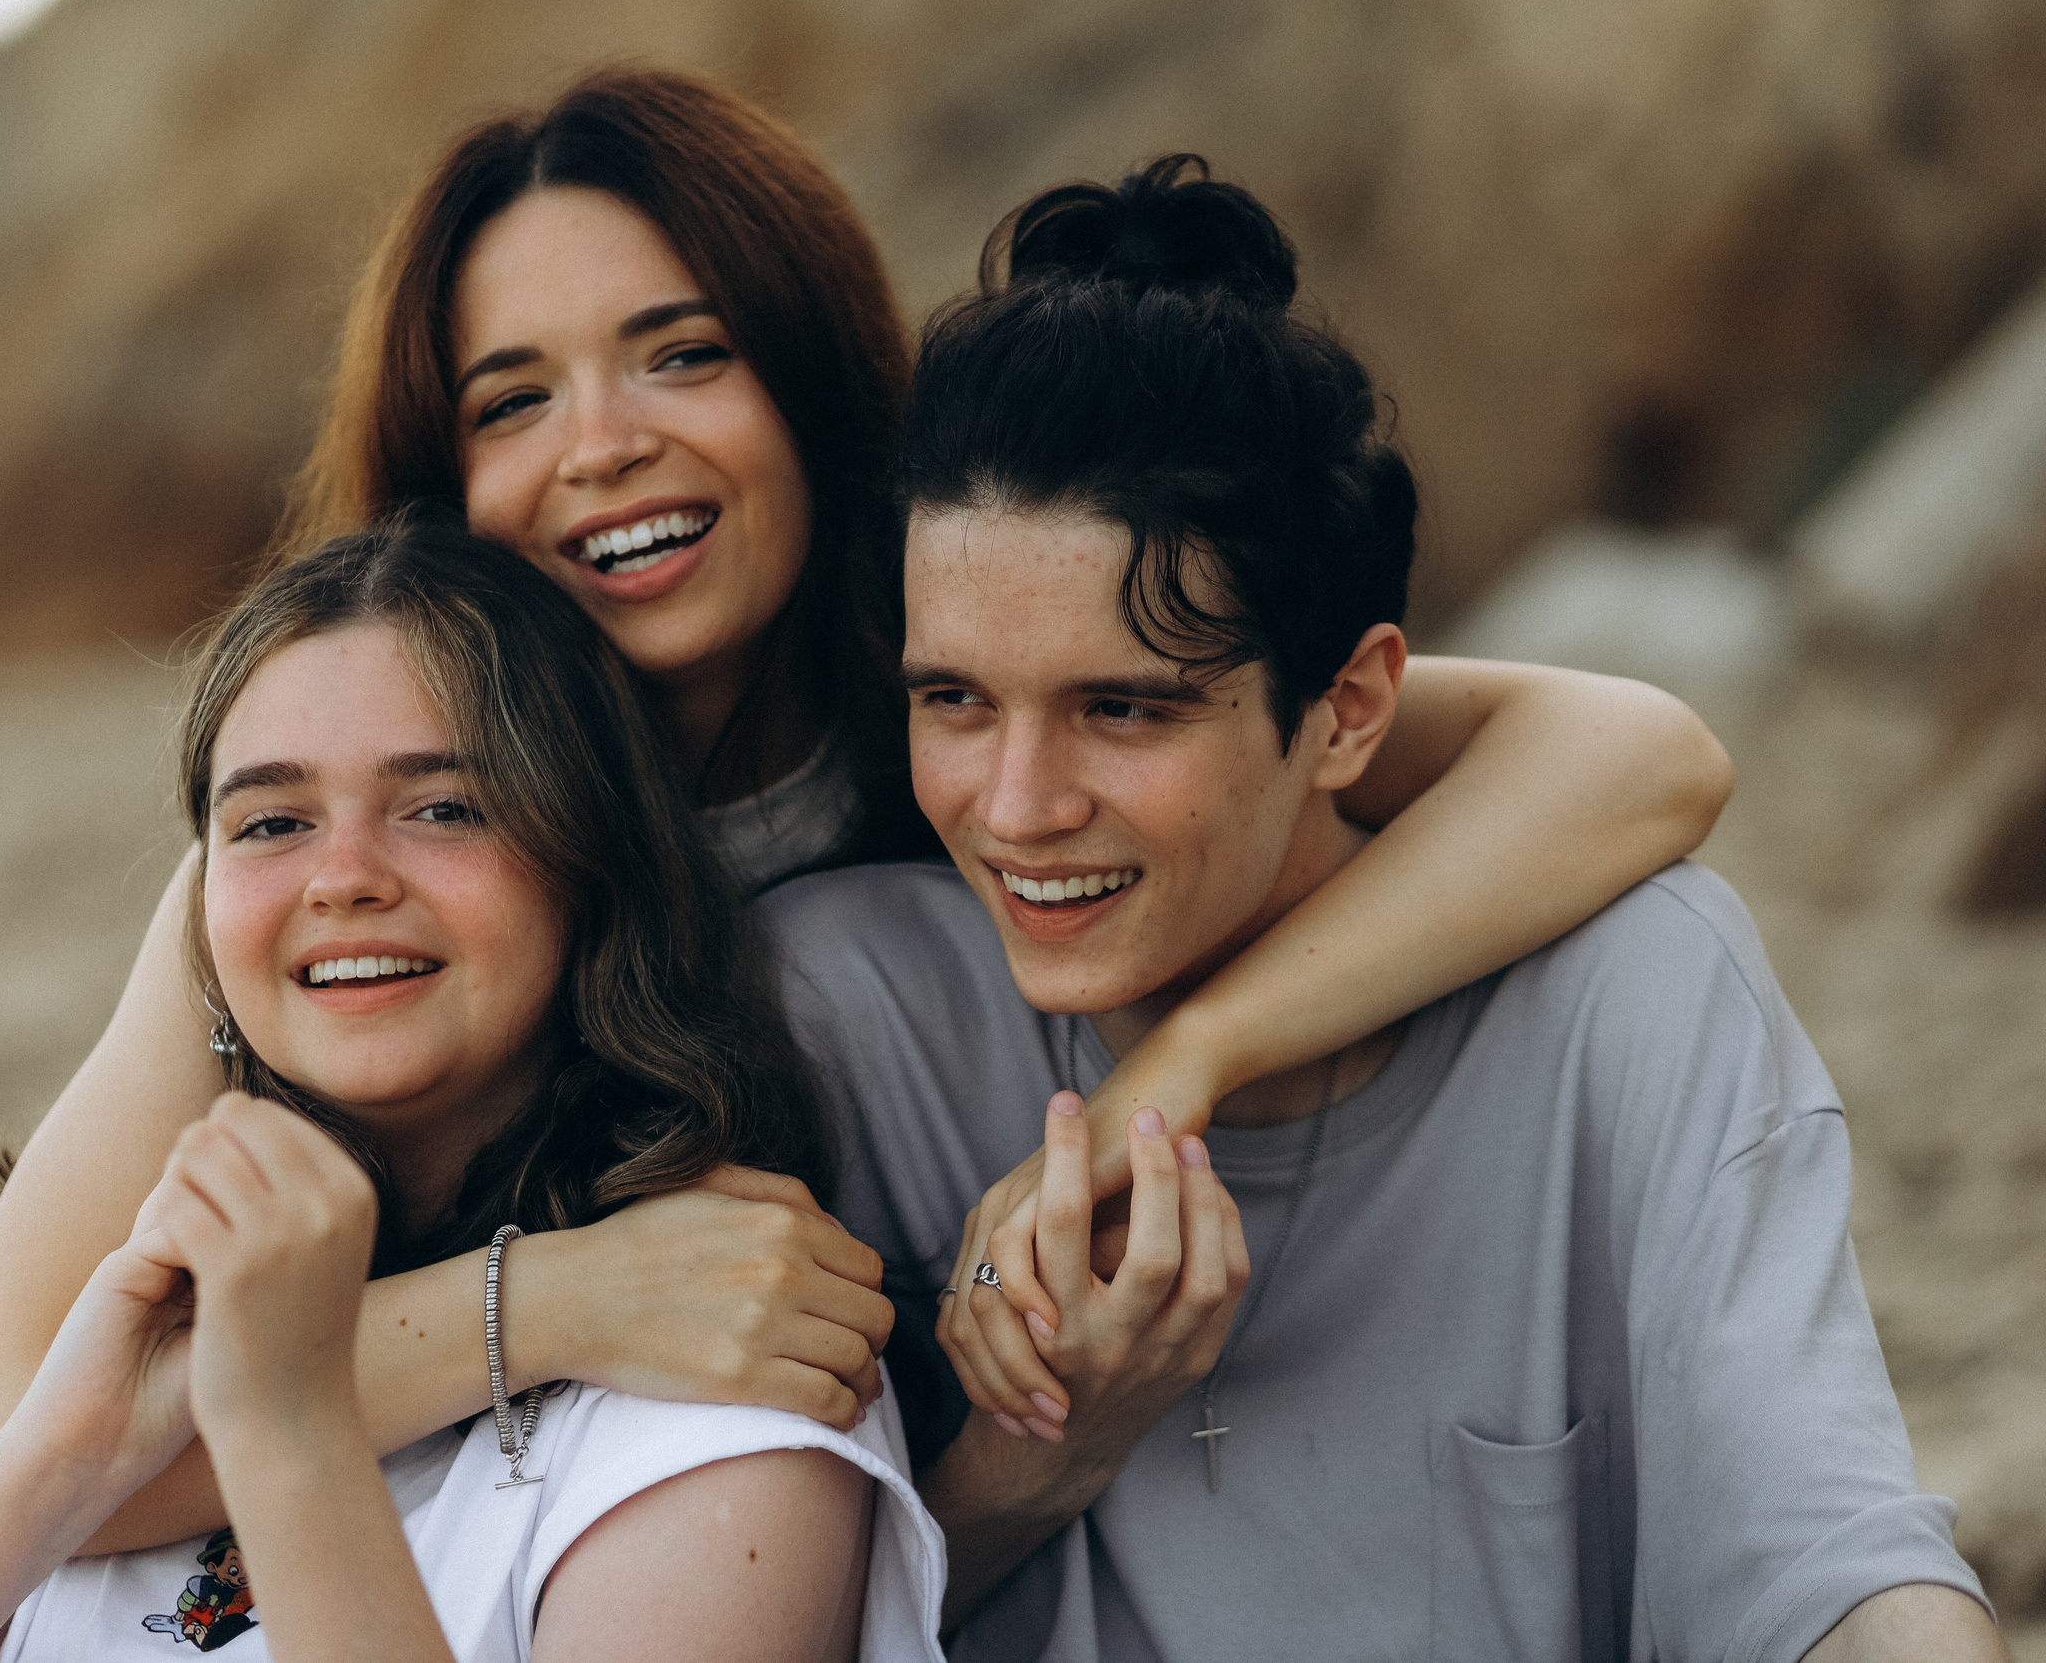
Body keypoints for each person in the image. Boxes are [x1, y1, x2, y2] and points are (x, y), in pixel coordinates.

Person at [0, 66, 1732, 1638]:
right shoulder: (350, 842)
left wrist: (1189, 1057)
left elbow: (1633, 757)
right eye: (514, 398)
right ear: (442, 484)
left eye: (680, 354)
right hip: (372, 1377)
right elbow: (47, 1423)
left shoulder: (957, 692)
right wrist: (561, 1298)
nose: (602, 443)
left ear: (810, 386)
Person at [759, 155, 2003, 1661]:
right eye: (954, 698)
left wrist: (1183, 1061)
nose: (1017, 805)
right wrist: (1046, 1456)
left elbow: (1830, 1550)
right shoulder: (844, 1013)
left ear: (1347, 707)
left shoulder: (1630, 998)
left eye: (1124, 709)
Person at [0, 519, 948, 1663]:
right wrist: (71, 1459)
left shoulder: (718, 1417)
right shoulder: (109, 1318)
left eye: (445, 807)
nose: (341, 877)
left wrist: (290, 1432)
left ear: (596, 862)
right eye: (270, 823)